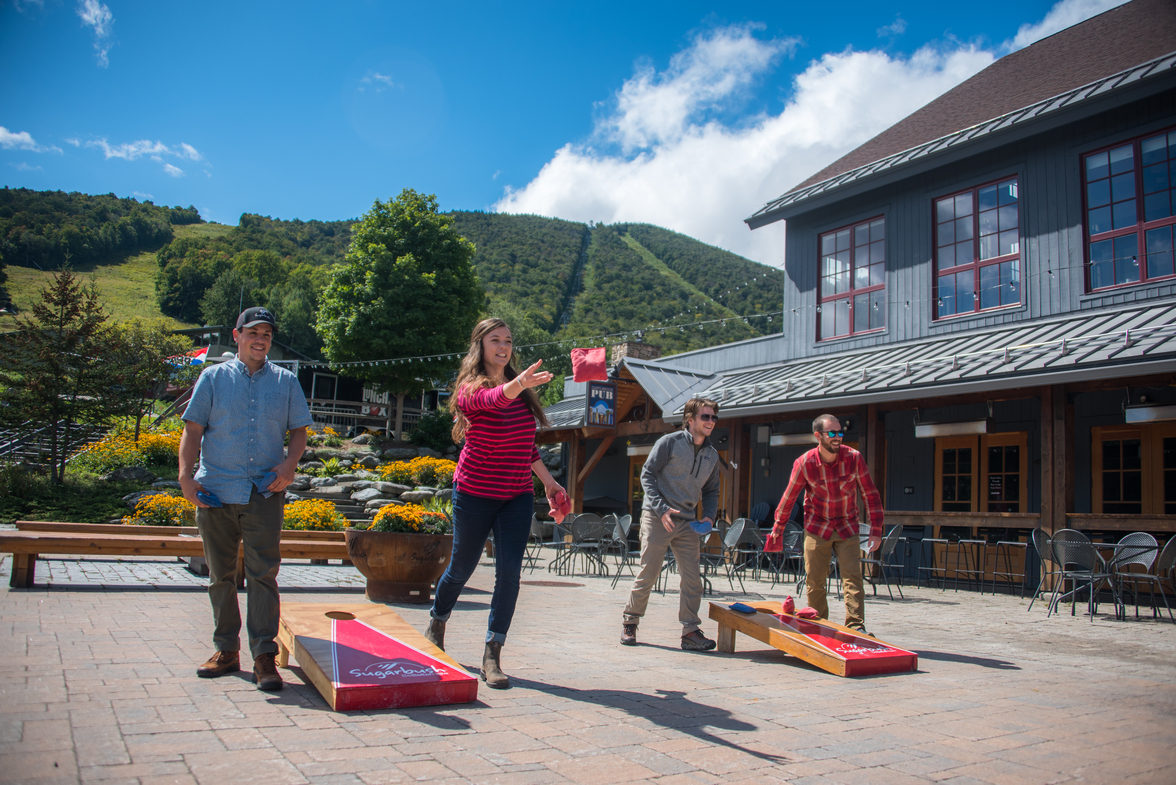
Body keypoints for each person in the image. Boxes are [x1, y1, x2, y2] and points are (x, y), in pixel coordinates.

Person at [422, 318, 566, 690]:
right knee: (461, 568)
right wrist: (518, 384)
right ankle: (438, 620)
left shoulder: (522, 393)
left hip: (516, 495)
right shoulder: (472, 389)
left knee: (509, 575)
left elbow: (526, 445)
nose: (503, 347)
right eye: (495, 340)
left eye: (508, 341)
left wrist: (549, 483)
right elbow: (491, 399)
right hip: (474, 491)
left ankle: (492, 652)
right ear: (480, 346)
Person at [179, 307, 312, 690]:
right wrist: (186, 478)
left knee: (263, 576)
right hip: (215, 492)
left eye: (267, 334)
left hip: (264, 491)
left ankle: (263, 656)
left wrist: (289, 466)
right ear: (237, 335)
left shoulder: (286, 382)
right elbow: (193, 430)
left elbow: (298, 432)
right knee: (219, 576)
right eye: (253, 332)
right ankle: (226, 650)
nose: (261, 339)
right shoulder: (213, 378)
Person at [621, 397, 722, 651]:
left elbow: (711, 491)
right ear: (690, 420)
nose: (710, 421)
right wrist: (661, 508)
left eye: (713, 417)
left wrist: (709, 516)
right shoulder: (669, 442)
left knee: (692, 578)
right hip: (658, 516)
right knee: (649, 571)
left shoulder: (712, 454)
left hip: (688, 521)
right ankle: (630, 622)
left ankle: (690, 631)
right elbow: (647, 474)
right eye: (705, 416)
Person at [768, 414, 883, 633]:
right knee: (815, 580)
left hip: (847, 525)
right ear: (818, 435)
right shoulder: (804, 463)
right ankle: (818, 625)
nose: (837, 437)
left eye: (840, 432)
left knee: (853, 578)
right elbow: (789, 498)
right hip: (817, 527)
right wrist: (778, 529)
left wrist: (876, 530)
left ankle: (855, 627)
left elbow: (871, 495)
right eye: (832, 433)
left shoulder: (854, 458)